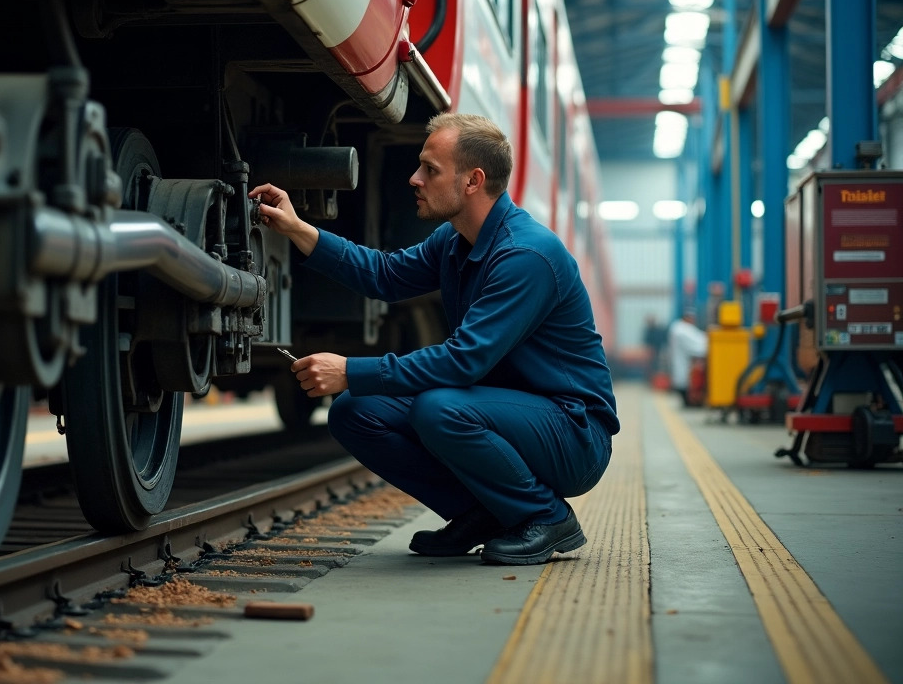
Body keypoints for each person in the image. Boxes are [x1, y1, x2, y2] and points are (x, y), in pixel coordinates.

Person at [248, 113, 617, 566]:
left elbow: (464, 362)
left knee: (439, 409)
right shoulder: (455, 239)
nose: (415, 178)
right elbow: (385, 275)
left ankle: (546, 516)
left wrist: (350, 370)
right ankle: (479, 512)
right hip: (508, 411)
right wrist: (297, 228)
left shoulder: (526, 256)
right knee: (354, 412)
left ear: (472, 181)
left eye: (430, 169)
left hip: (572, 434)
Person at [666, 309, 708, 406]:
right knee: (683, 382)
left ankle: (689, 401)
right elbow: (697, 344)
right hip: (682, 361)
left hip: (681, 360)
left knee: (682, 381)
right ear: (686, 318)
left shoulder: (680, 327)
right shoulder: (682, 330)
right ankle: (689, 402)